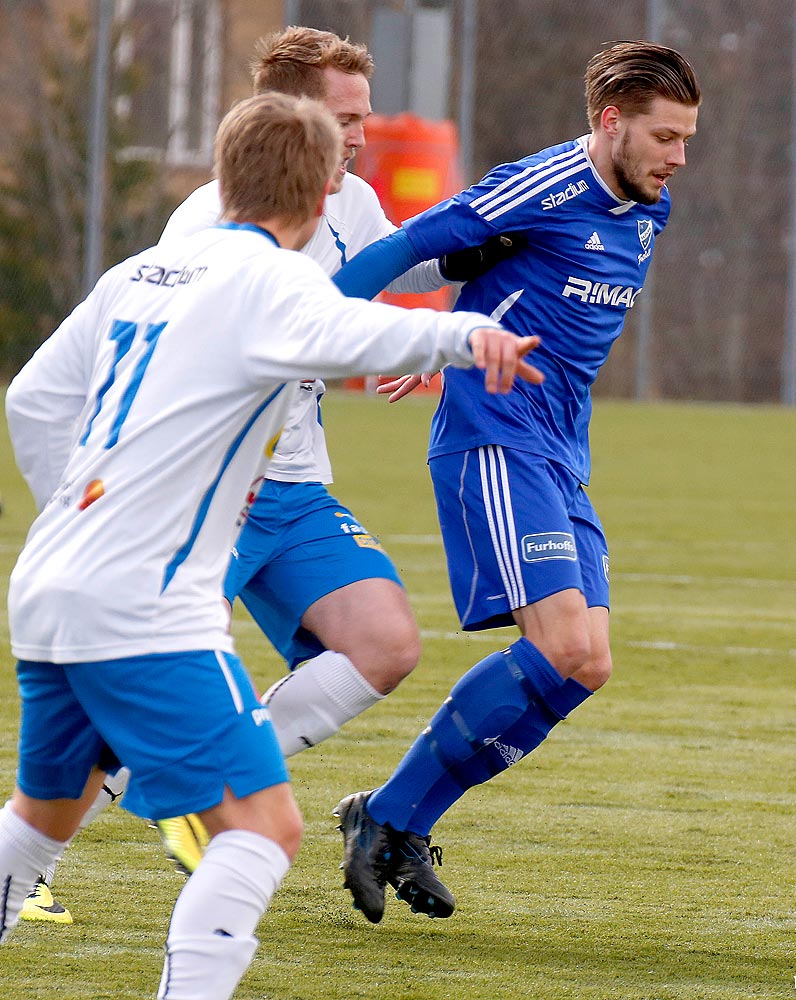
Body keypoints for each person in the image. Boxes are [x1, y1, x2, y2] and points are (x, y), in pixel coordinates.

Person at [0, 90, 540, 999]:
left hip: (51, 583)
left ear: (224, 176)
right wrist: (466, 332)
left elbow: (30, 401)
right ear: (325, 195)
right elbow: (359, 330)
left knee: (42, 816)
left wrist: (82, 507)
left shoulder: (142, 271)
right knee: (262, 829)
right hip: (144, 605)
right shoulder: (272, 281)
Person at [329, 40, 701, 924]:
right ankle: (388, 818)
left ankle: (390, 820)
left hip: (562, 452)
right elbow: (417, 248)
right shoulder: (537, 186)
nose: (678, 157)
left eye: (687, 138)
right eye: (664, 136)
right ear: (609, 122)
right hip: (494, 440)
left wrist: (446, 343)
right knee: (565, 645)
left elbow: (501, 281)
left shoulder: (651, 210)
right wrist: (317, 335)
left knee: (588, 663)